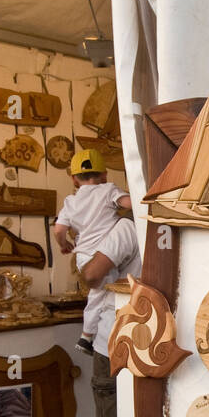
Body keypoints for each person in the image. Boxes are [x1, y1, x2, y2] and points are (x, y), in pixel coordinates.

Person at [51, 149, 140, 417]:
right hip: (146, 338)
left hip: (112, 341)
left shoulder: (123, 229)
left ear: (73, 178)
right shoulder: (146, 221)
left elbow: (91, 276)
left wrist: (70, 249)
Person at [52, 150, 134, 356]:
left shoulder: (70, 202)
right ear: (104, 174)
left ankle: (89, 335)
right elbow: (130, 204)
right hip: (103, 255)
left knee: (96, 295)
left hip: (83, 257)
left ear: (74, 178)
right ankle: (87, 336)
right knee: (102, 295)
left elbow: (59, 230)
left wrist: (65, 244)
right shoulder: (108, 190)